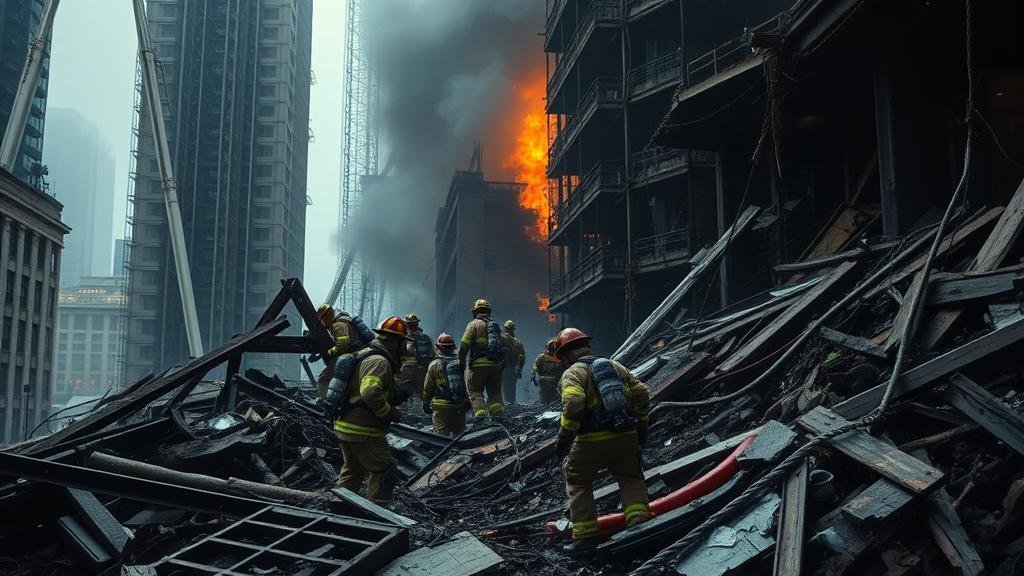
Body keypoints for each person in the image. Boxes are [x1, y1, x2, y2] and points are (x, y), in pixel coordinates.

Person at [553, 327, 651, 553]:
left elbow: (574, 405)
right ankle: (639, 523)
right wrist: (641, 427)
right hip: (626, 435)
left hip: (592, 440)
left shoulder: (573, 373)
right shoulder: (616, 366)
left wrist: (564, 439)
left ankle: (586, 538)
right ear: (586, 345)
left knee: (577, 480)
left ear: (567, 354)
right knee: (630, 476)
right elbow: (643, 393)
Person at [330, 316, 413, 504]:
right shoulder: (380, 361)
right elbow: (369, 392)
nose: (405, 348)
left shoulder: (365, 354)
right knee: (385, 468)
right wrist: (390, 412)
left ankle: (339, 506)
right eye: (403, 342)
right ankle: (378, 514)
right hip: (363, 430)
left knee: (353, 468)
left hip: (345, 425)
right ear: (394, 340)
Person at [459, 298, 504, 421]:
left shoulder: (473, 324)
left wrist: (461, 362)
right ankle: (498, 417)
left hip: (479, 366)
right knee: (495, 392)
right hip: (496, 365)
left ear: (475, 312)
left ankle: (481, 418)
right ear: (489, 311)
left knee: (475, 391)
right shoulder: (496, 326)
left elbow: (464, 345)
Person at [314, 304, 372, 399]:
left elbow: (343, 345)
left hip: (353, 354)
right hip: (360, 352)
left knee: (324, 378)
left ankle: (326, 402)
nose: (323, 323)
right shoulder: (344, 318)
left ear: (327, 316)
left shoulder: (338, 325)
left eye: (322, 319)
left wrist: (330, 352)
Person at [421, 333, 467, 437]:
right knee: (460, 438)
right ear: (452, 348)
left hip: (440, 407)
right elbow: (467, 384)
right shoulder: (459, 363)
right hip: (458, 406)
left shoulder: (434, 364)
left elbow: (427, 389)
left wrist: (426, 405)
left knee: (441, 438)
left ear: (437, 348)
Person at [397, 313, 434, 406]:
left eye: (414, 324)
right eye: (410, 325)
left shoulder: (425, 339)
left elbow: (432, 356)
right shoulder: (400, 339)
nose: (412, 327)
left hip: (419, 372)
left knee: (421, 395)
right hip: (406, 373)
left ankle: (422, 411)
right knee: (403, 396)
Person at [500, 320, 526, 405]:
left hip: (500, 369)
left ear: (505, 329)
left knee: (500, 391)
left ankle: (502, 410)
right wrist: (519, 370)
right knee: (511, 392)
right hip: (512, 369)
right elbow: (522, 358)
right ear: (513, 329)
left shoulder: (500, 340)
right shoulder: (518, 342)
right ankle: (511, 409)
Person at [531, 338, 564, 404]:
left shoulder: (559, 358)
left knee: (551, 398)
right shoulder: (542, 357)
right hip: (547, 381)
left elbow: (535, 367)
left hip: (552, 381)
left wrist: (533, 375)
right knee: (546, 397)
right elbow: (535, 367)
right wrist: (533, 375)